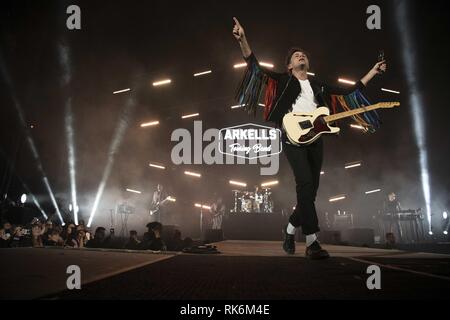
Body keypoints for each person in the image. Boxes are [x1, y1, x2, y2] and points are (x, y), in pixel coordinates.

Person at [233, 18, 386, 259]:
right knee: (304, 185)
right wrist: (243, 39)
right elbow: (255, 66)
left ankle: (289, 228)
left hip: (316, 137)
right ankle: (312, 242)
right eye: (296, 56)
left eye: (303, 55)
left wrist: (372, 73)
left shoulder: (318, 85)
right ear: (290, 66)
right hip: (293, 136)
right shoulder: (283, 81)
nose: (301, 56)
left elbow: (348, 92)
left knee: (310, 192)